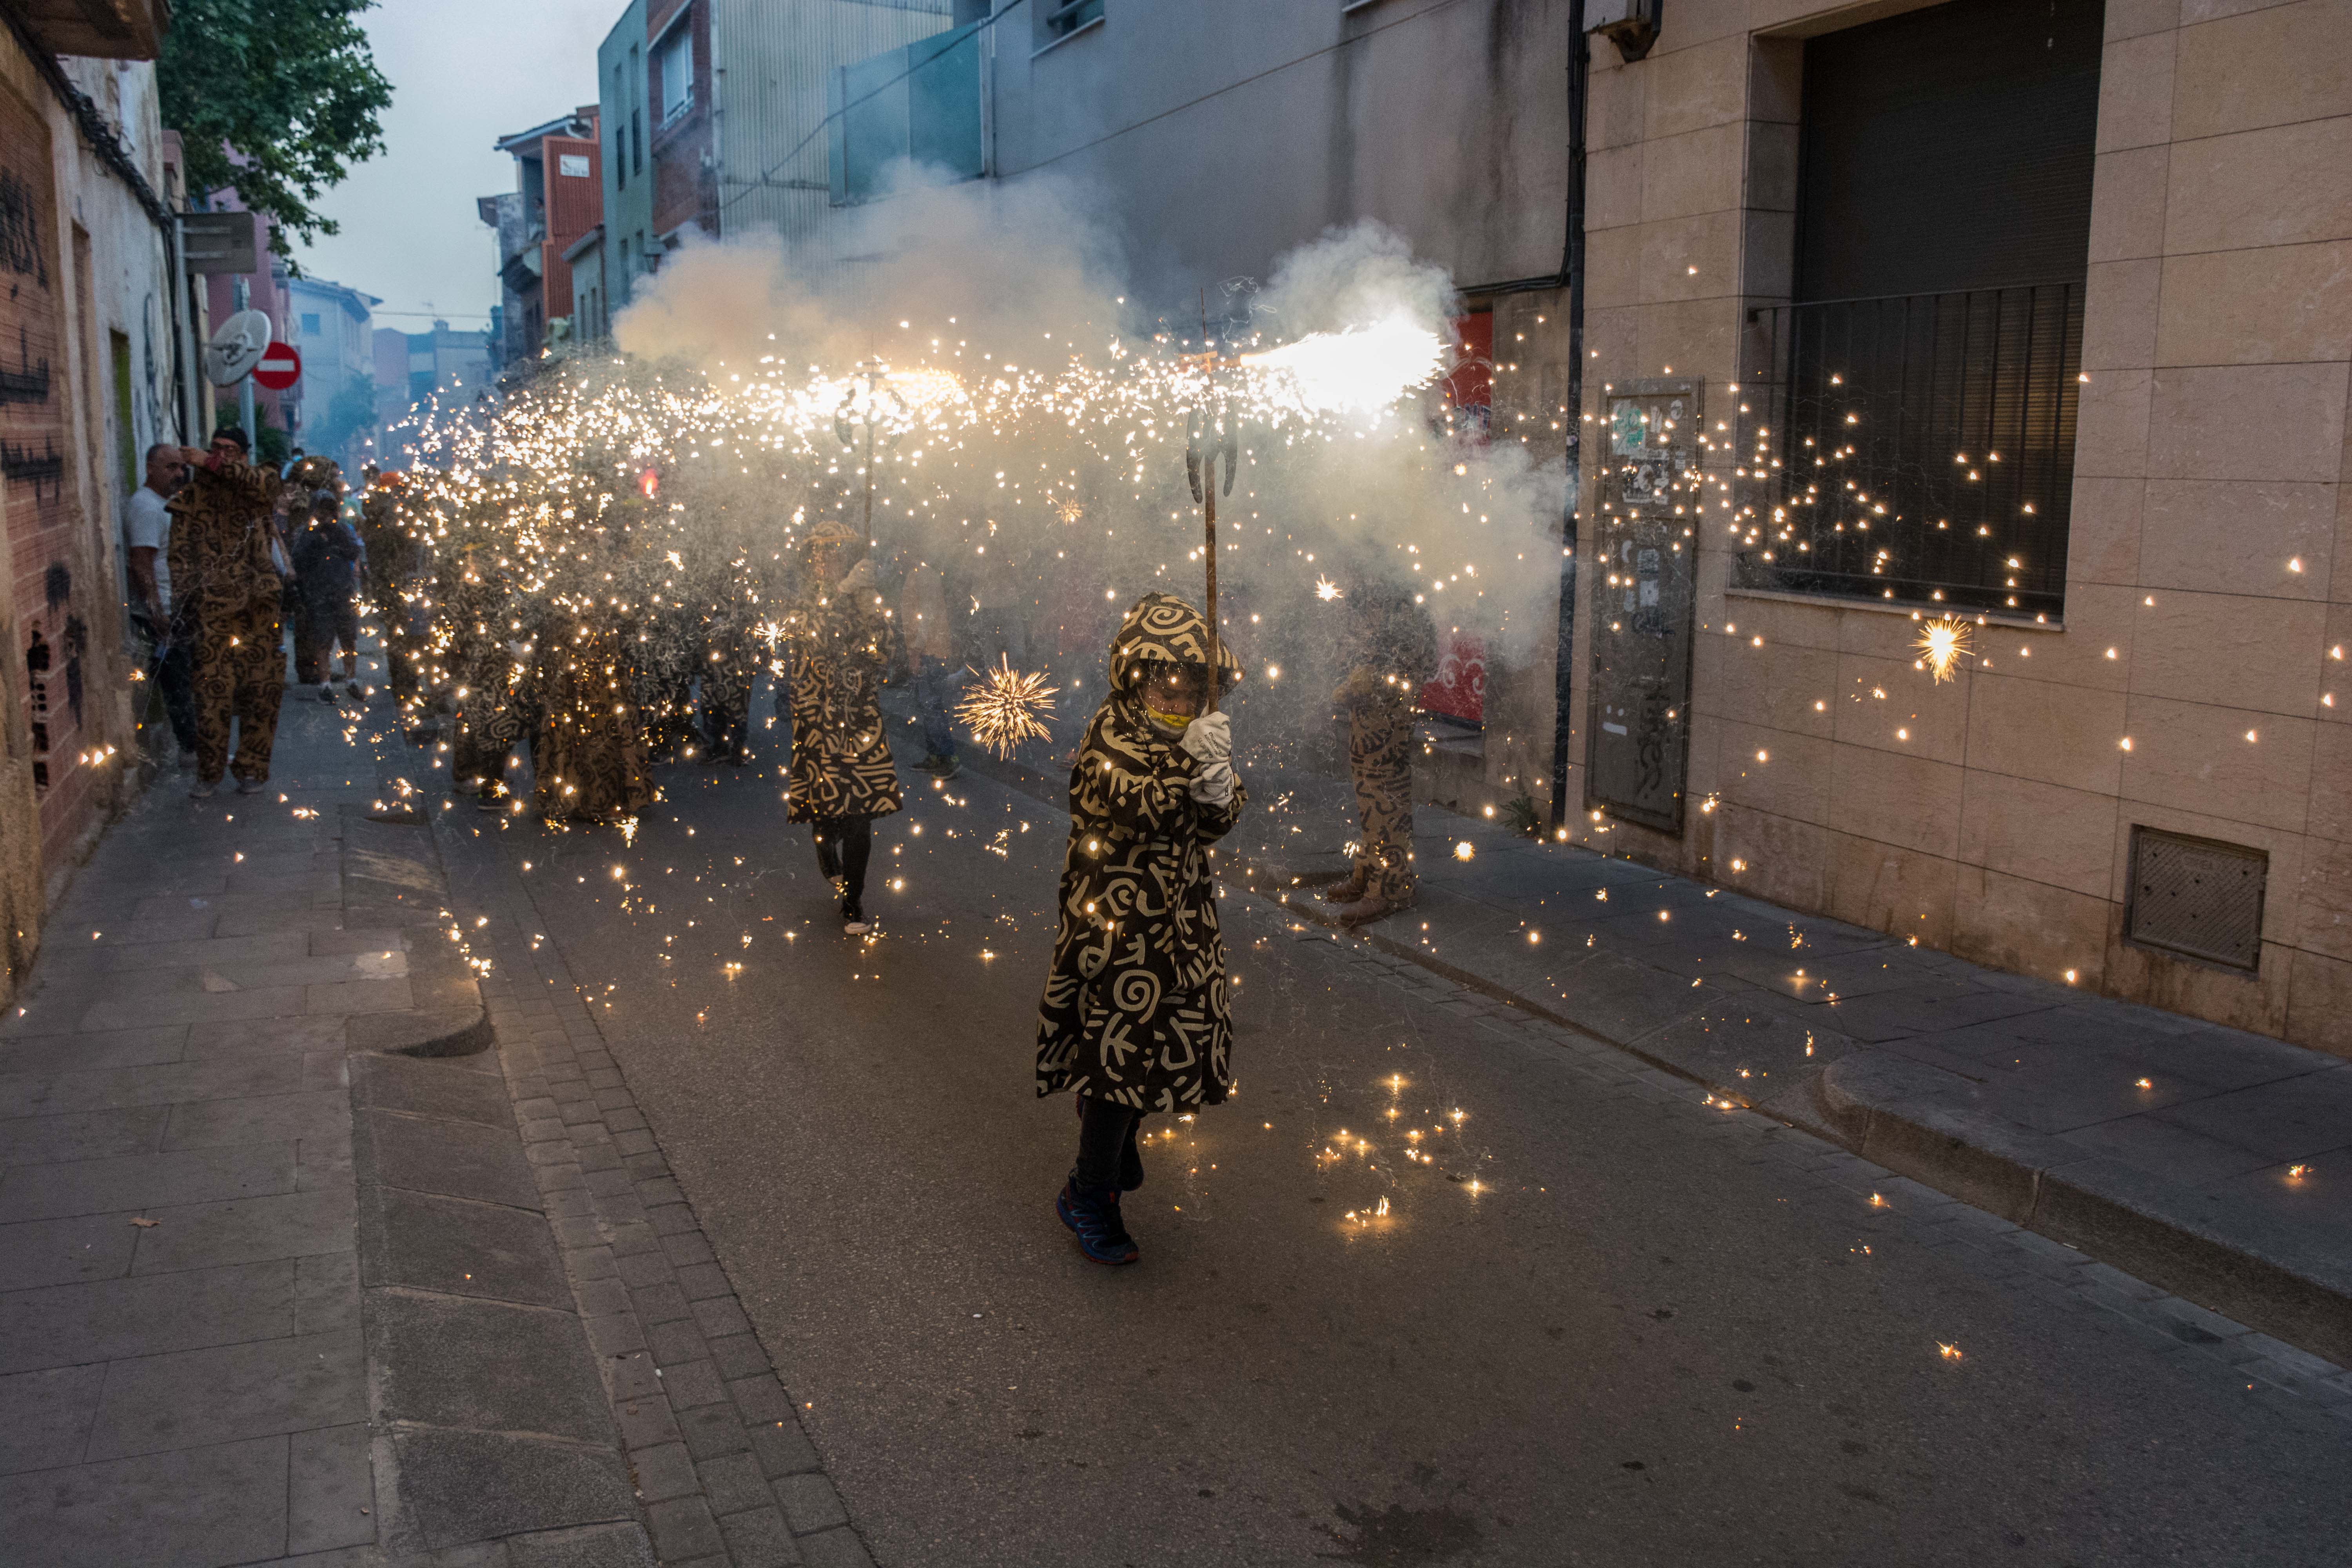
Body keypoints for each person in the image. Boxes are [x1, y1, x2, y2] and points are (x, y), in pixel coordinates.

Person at [1036, 592, 1245, 1266]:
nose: (1179, 697)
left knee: (1170, 1051)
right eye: (1168, 681)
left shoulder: (1201, 730)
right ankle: (1087, 1196)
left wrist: (1220, 782)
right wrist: (1194, 769)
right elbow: (1136, 805)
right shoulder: (1112, 729)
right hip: (1116, 928)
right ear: (1139, 674)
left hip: (1182, 925)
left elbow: (1213, 825)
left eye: (1192, 686)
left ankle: (1113, 1132)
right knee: (1121, 1057)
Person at [781, 520, 902, 934]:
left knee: (860, 815)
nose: (828, 558)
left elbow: (886, 654)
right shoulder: (803, 601)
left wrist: (870, 610)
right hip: (818, 722)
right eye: (822, 552)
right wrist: (841, 595)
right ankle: (823, 845)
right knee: (825, 812)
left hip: (861, 721)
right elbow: (811, 635)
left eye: (836, 552)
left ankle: (854, 900)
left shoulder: (864, 598)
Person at [166, 427, 287, 797]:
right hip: (213, 612)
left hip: (258, 609)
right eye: (216, 450)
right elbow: (179, 556)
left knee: (261, 692)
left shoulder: (258, 484)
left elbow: (267, 486)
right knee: (211, 695)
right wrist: (183, 602)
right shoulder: (192, 498)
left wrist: (211, 462)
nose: (221, 456)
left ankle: (251, 769)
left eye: (230, 451)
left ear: (244, 456)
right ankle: (209, 772)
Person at [1324, 576, 1436, 925]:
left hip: (1386, 712)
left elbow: (1402, 658)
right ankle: (1371, 868)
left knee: (1383, 791)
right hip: (1371, 711)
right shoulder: (1383, 590)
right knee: (1369, 794)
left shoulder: (1401, 602)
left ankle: (1390, 885)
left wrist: (1355, 683)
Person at [124, 442, 198, 766]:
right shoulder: (147, 507)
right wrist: (158, 614)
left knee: (183, 680)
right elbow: (142, 563)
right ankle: (191, 750)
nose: (179, 474)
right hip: (163, 613)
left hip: (174, 607)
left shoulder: (164, 505)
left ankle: (193, 747)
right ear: (150, 467)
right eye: (170, 468)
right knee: (177, 683)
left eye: (181, 467)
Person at [355, 469, 425, 703]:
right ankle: (407, 685)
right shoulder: (391, 516)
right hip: (400, 583)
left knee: (403, 636)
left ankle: (404, 683)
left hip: (393, 584)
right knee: (408, 636)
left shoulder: (376, 518)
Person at [291, 489, 364, 702]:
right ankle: (325, 685)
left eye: (328, 509)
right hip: (319, 595)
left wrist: (337, 538)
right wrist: (315, 539)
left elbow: (353, 552)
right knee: (323, 641)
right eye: (320, 510)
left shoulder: (341, 530)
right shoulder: (306, 533)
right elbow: (298, 560)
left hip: (344, 592)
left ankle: (352, 681)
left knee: (349, 640)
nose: (324, 514)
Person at [897, 550, 960, 779]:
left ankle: (948, 758)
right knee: (928, 707)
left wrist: (916, 650)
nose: (897, 556)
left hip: (930, 652)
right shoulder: (918, 574)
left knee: (932, 707)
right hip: (927, 650)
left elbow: (927, 615)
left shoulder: (924, 575)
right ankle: (935, 756)